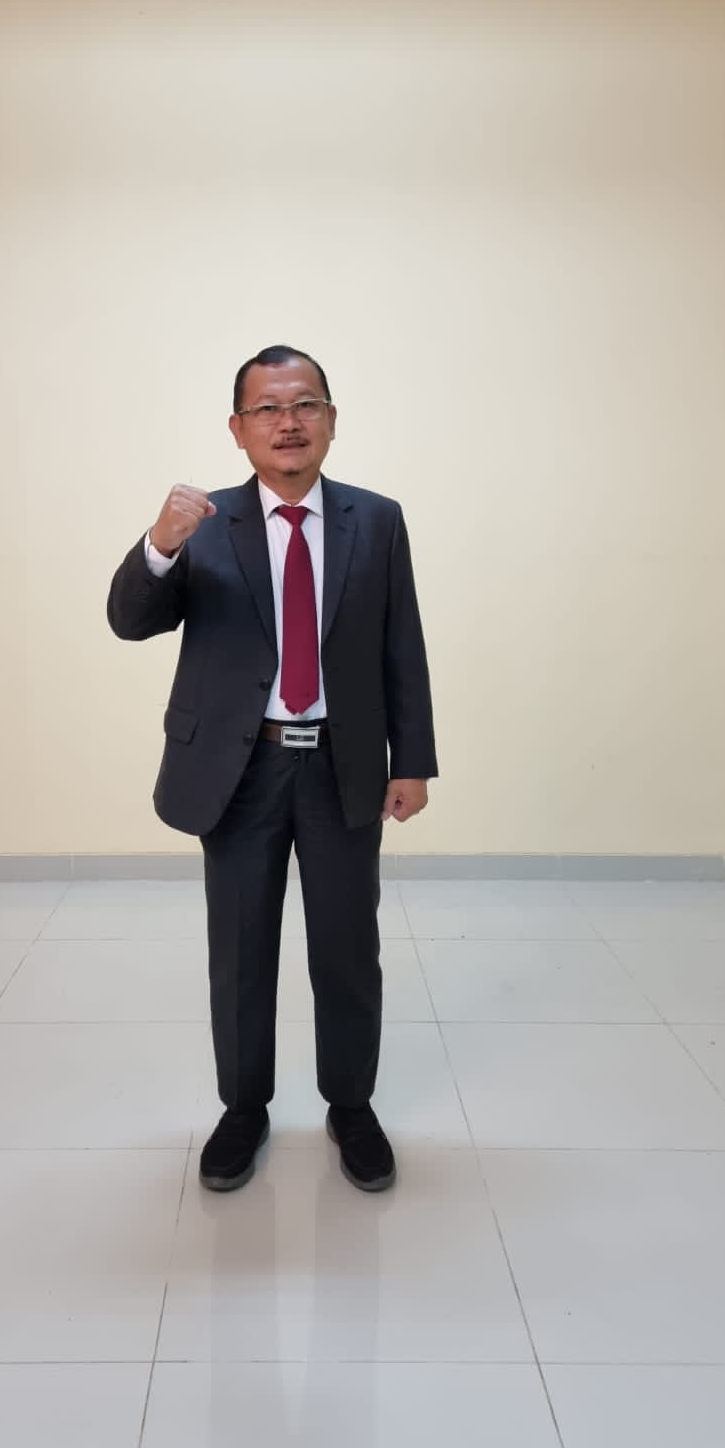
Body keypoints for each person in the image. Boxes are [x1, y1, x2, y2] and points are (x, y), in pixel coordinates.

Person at [107, 345, 437, 1193]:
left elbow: (402, 644)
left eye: (305, 404)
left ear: (331, 419)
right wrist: (159, 545)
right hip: (239, 770)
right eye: (267, 408)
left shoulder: (377, 519)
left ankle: (351, 1107)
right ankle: (243, 1109)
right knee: (241, 953)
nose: (288, 422)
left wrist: (413, 761)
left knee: (348, 950)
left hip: (342, 766)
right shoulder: (205, 522)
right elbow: (130, 621)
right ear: (239, 428)